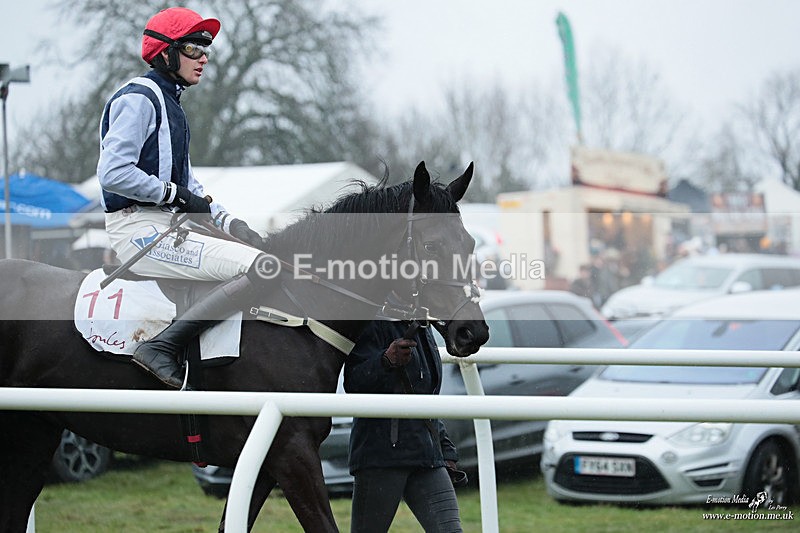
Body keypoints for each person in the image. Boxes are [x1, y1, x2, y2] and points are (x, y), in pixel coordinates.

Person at [97, 7, 275, 389]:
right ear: (165, 54)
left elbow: (190, 186)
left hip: (167, 227)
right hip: (137, 230)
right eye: (194, 48)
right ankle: (160, 348)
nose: (204, 57)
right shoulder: (140, 98)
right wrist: (174, 195)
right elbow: (112, 173)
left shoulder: (172, 103)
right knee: (261, 268)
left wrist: (232, 223)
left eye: (206, 48)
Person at [344, 317, 466, 533]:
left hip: (427, 457)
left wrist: (445, 450)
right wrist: (385, 360)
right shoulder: (371, 322)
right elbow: (353, 383)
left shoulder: (422, 325)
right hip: (381, 457)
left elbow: (426, 395)